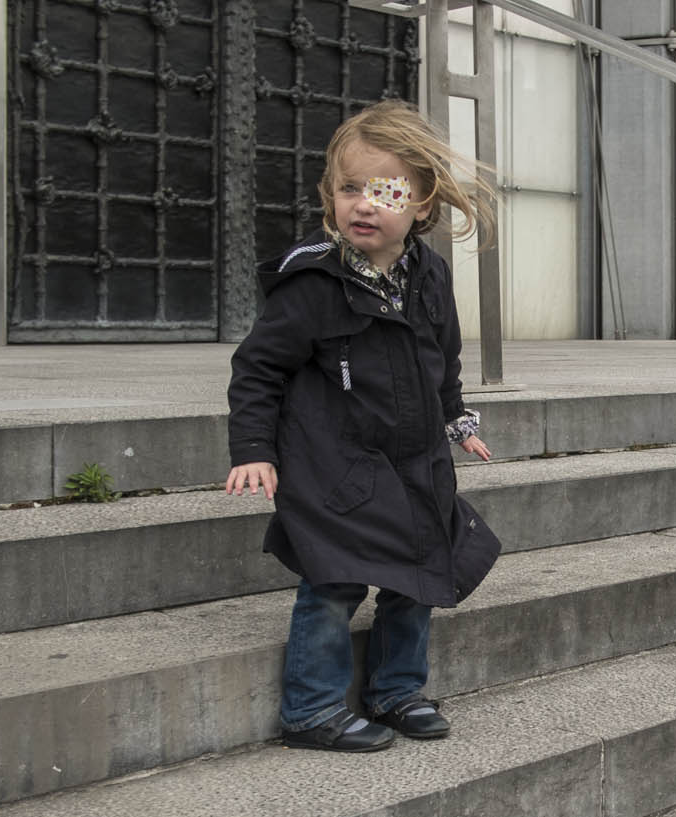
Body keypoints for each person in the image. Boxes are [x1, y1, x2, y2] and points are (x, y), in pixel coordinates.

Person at [225, 100, 503, 752]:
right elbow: (258, 368)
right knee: (333, 581)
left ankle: (396, 690)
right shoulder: (314, 283)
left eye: (384, 191)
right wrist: (254, 449)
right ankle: (313, 709)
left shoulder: (427, 275)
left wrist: (455, 419)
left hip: (414, 459)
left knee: (420, 576)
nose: (363, 205)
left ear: (422, 206)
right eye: (350, 189)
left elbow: (443, 356)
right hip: (337, 464)